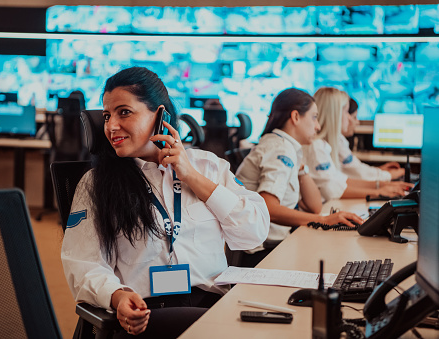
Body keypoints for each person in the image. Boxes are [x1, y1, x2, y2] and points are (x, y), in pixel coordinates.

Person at [61, 67, 269, 338]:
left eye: (124, 112)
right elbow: (83, 263)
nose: (111, 126)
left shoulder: (208, 167)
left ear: (161, 116)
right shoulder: (96, 183)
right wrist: (117, 296)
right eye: (107, 116)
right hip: (147, 318)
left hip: (212, 310)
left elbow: (253, 233)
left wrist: (191, 176)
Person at [235, 88, 363, 266]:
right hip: (261, 255)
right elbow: (268, 208)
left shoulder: (289, 148)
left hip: (273, 246)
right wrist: (324, 220)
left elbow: (314, 205)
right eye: (314, 117)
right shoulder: (280, 149)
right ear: (295, 117)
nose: (318, 126)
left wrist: (302, 168)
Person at [302, 87, 412, 201]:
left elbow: (342, 181)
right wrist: (379, 189)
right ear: (335, 115)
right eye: (346, 112)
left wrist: (382, 185)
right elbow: (334, 189)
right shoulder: (317, 147)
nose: (350, 118)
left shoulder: (325, 145)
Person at [340, 97, 405, 181]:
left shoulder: (340, 141)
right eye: (354, 117)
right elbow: (357, 174)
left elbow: (356, 169)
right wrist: (388, 175)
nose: (357, 122)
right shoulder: (333, 145)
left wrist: (380, 170)